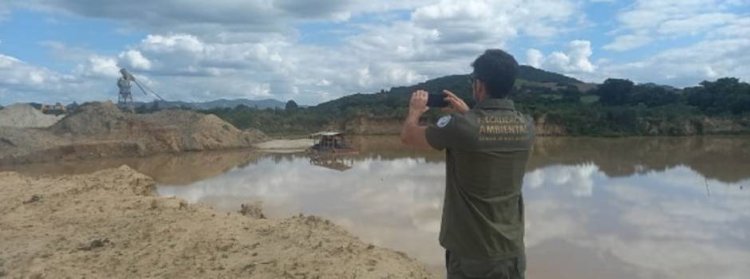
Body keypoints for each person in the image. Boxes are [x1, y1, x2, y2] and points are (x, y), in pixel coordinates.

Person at [400, 49, 534, 278]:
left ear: (479, 86)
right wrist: (471, 112)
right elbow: (489, 132)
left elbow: (409, 136)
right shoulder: (527, 126)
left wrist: (415, 111)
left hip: (471, 253)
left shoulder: (459, 126)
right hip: (511, 250)